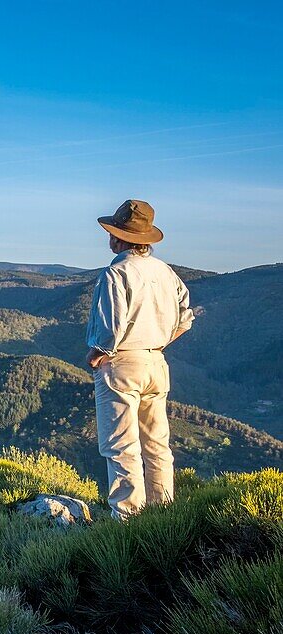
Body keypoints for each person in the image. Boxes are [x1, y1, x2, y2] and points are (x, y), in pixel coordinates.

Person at [86, 199, 195, 520]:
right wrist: (158, 340)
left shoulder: (116, 273)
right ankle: (163, 514)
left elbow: (112, 325)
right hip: (156, 361)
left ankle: (128, 519)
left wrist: (98, 353)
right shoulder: (166, 273)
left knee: (121, 446)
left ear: (119, 237)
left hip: (121, 363)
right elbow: (186, 318)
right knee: (157, 445)